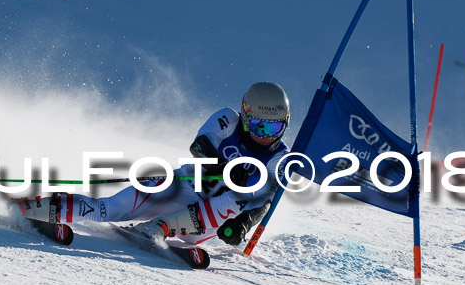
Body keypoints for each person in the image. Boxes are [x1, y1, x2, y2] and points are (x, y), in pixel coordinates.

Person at [15, 82, 291, 246]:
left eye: (273, 128)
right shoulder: (227, 119)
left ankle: (160, 227)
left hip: (209, 220)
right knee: (109, 208)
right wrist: (224, 166)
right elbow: (199, 146)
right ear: (245, 117)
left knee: (236, 198)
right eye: (258, 126)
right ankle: (38, 208)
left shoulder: (279, 158)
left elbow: (264, 203)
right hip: (183, 187)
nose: (264, 136)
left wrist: (243, 225)